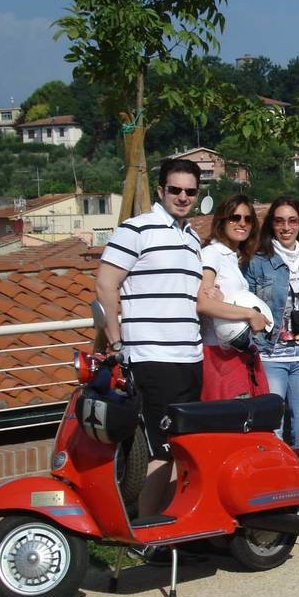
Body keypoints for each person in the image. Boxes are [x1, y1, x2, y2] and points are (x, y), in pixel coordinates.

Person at [96, 158, 204, 519]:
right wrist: (115, 343)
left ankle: (167, 527)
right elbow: (105, 285)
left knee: (182, 447)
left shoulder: (193, 237)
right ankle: (147, 530)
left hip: (190, 357)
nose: (183, 197)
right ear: (160, 190)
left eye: (190, 191)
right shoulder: (136, 230)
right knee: (160, 450)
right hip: (151, 356)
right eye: (175, 189)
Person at [244, 197, 299, 493]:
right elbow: (246, 305)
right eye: (279, 221)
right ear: (271, 225)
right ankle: (273, 492)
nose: (286, 227)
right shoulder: (257, 263)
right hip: (270, 356)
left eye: (292, 220)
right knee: (272, 431)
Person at [197, 194, 270, 401]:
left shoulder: (231, 257)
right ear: (222, 221)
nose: (242, 223)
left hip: (237, 352)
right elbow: (203, 302)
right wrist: (250, 314)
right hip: (219, 356)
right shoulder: (213, 253)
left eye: (248, 219)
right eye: (234, 217)